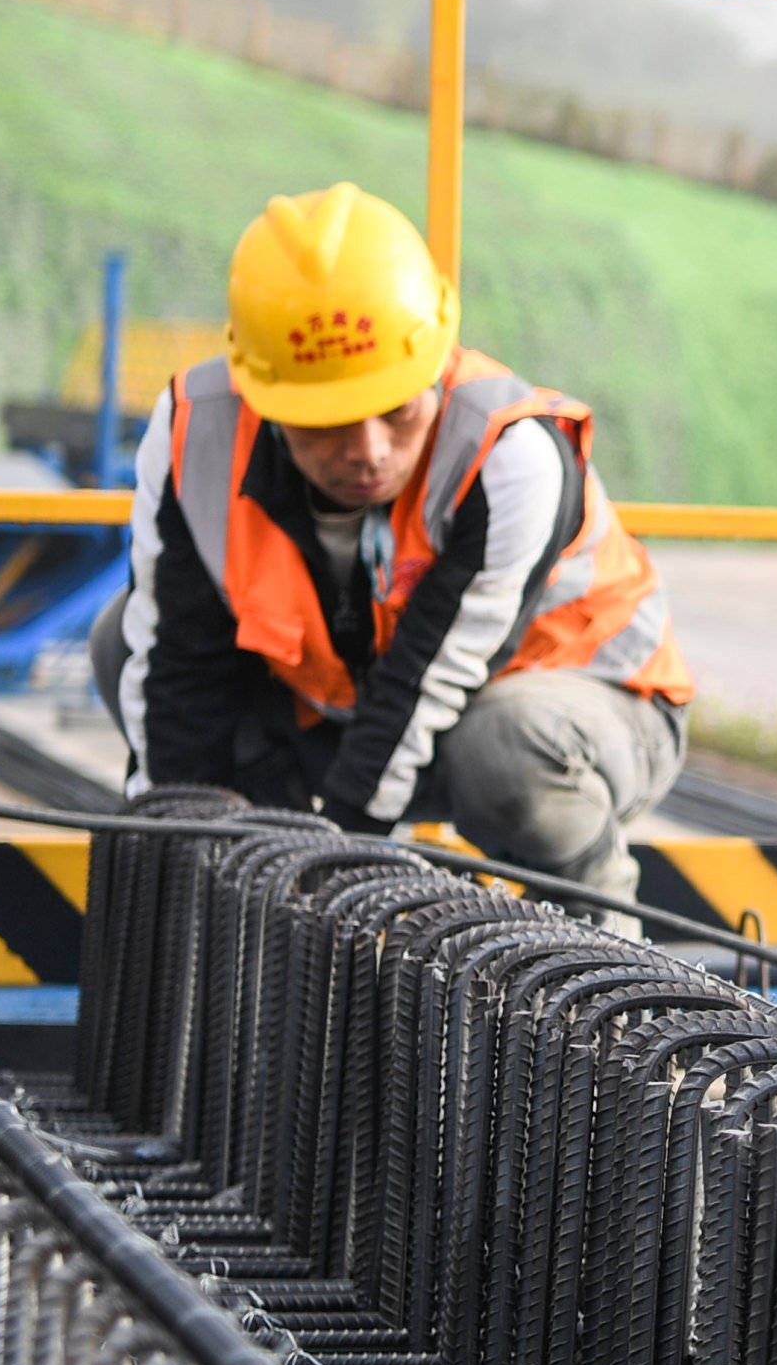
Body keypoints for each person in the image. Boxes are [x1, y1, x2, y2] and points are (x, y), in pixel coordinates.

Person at [93, 183, 690, 917]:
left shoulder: (509, 456)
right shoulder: (196, 431)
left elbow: (422, 686)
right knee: (116, 640)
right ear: (265, 400)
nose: (368, 453)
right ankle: (250, 892)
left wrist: (333, 870)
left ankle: (606, 942)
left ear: (434, 361)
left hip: (575, 718)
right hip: (352, 707)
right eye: (328, 423)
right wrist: (183, 867)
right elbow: (179, 664)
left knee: (504, 745)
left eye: (397, 410)